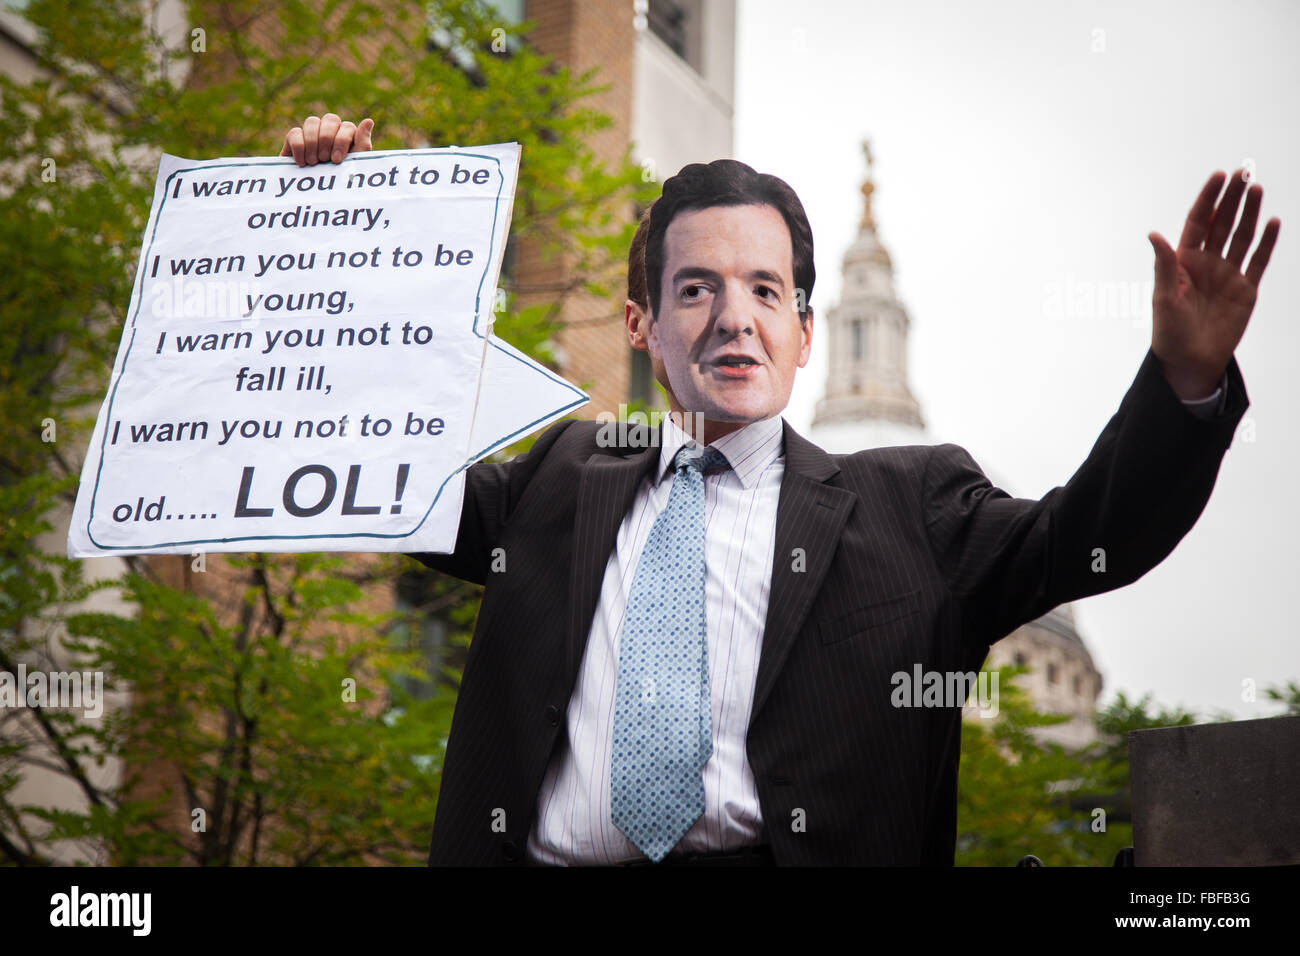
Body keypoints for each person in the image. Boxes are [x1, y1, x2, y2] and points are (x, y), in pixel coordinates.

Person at [281, 114, 1278, 865]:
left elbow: (1093, 531)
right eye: (694, 287)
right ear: (641, 326)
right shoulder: (551, 482)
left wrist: (1183, 382)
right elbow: (380, 463)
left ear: (806, 329)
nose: (732, 318)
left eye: (765, 289)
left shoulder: (915, 505)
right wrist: (351, 243)